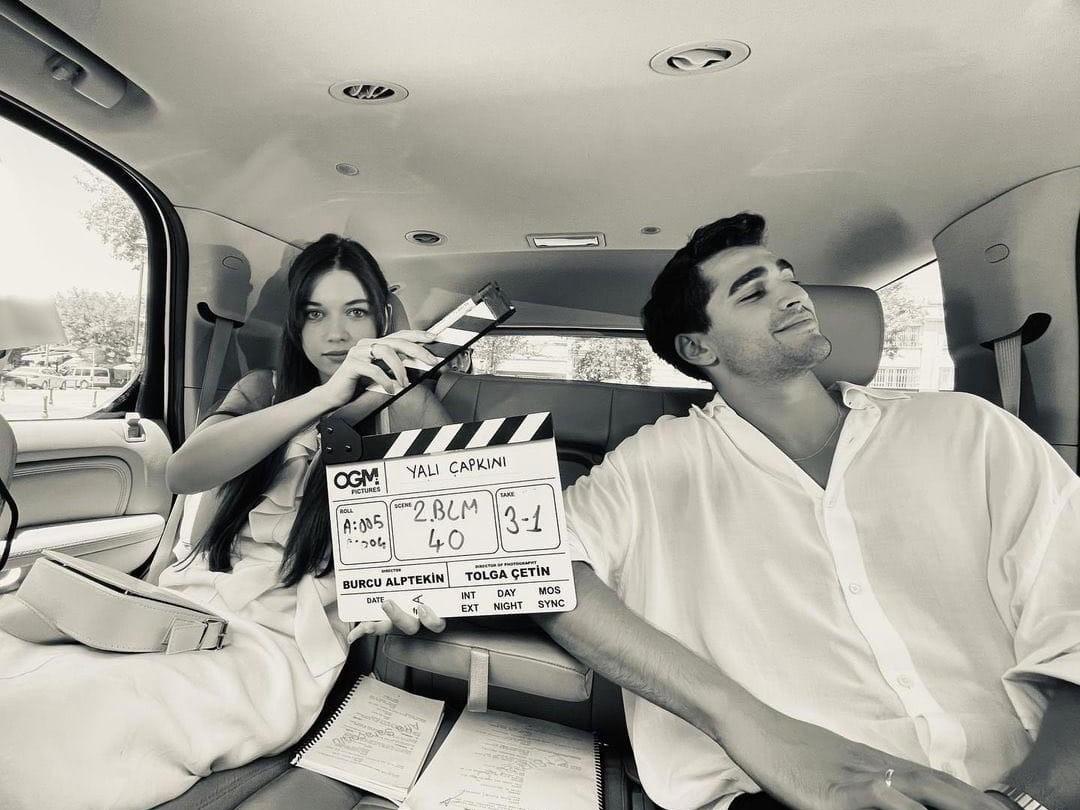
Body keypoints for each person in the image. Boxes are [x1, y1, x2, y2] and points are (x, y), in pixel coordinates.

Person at [536, 212, 1080, 810]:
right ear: (698, 346)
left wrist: (1026, 799)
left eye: (789, 277)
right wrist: (745, 723)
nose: (793, 295)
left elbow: (1073, 617)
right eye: (754, 293)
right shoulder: (652, 464)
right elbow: (542, 567)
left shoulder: (971, 430)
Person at [0, 235, 451, 809]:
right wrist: (324, 399)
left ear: (383, 318)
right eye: (315, 314)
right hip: (179, 609)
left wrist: (419, 602)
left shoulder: (409, 409)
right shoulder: (263, 391)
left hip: (276, 642)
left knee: (73, 715)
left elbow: (443, 540)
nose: (336, 334)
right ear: (296, 325)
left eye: (355, 312)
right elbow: (184, 472)